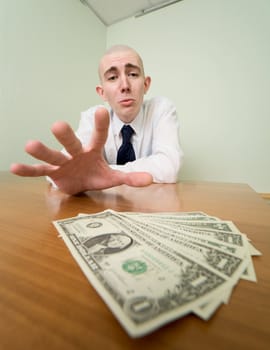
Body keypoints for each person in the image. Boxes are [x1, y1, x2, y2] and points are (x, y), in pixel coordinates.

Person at [10, 45, 183, 195]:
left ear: (146, 84)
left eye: (132, 74)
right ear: (102, 93)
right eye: (113, 78)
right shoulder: (93, 117)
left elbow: (169, 166)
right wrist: (75, 175)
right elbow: (65, 171)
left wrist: (103, 173)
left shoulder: (161, 109)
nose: (124, 85)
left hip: (151, 206)